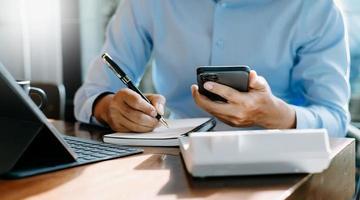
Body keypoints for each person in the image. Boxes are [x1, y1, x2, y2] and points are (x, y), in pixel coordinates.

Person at [74, 0, 350, 137]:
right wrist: (109, 108)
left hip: (281, 165)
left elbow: (335, 118)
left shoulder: (316, 8)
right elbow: (93, 93)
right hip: (173, 158)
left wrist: (275, 114)